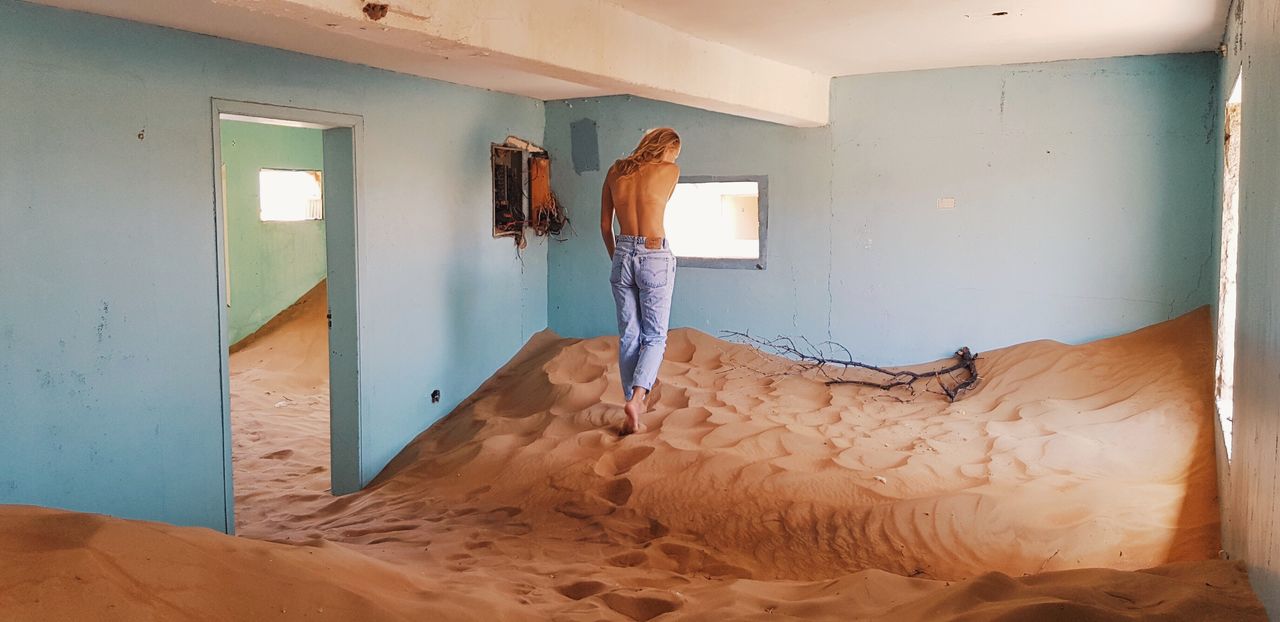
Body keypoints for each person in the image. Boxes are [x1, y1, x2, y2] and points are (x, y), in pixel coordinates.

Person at [600, 127, 681, 435]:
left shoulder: (614, 170)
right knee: (655, 336)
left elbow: (604, 226)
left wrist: (618, 258)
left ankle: (630, 402)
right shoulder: (671, 170)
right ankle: (637, 399)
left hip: (622, 254)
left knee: (629, 336)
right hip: (654, 254)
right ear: (668, 148)